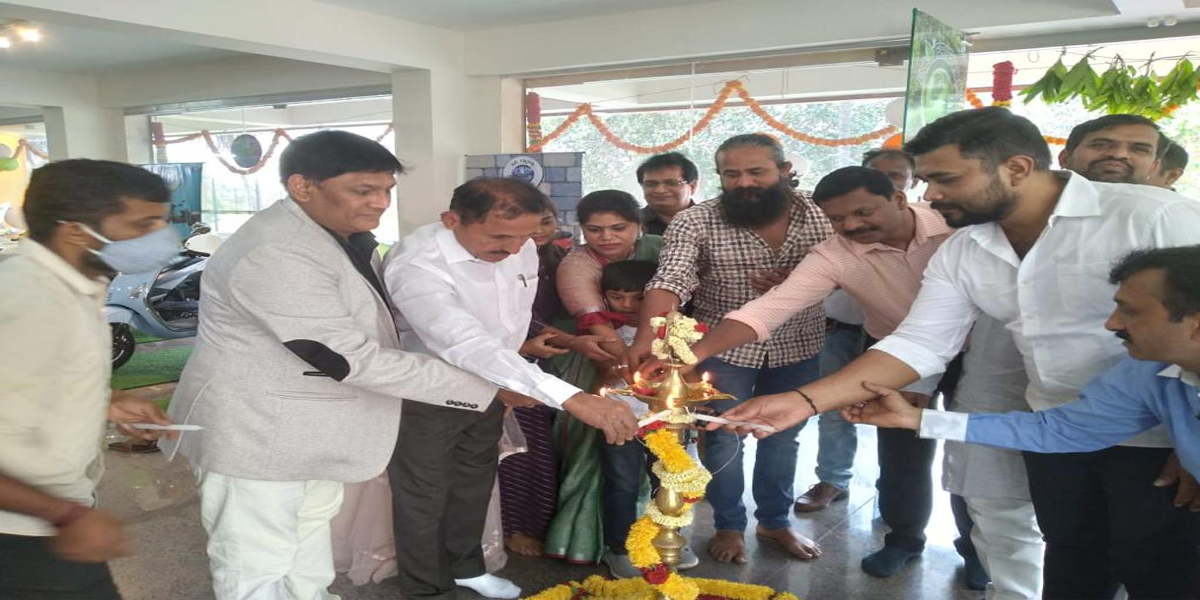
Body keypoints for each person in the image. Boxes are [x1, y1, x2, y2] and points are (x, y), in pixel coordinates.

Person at [716, 107, 1200, 600]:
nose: (931, 195)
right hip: (1055, 423)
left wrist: (1195, 445)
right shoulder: (965, 247)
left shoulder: (1155, 216)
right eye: (927, 180)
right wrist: (803, 401)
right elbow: (920, 341)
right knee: (1072, 555)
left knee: (1160, 568)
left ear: (1016, 168)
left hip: (1163, 436)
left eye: (945, 180)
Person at [165, 131, 502, 600]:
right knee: (256, 561)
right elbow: (345, 355)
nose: (380, 202)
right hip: (257, 431)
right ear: (303, 186)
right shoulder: (276, 250)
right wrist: (489, 385)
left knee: (308, 540)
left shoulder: (341, 238)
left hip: (310, 426)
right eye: (363, 190)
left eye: (386, 190)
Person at [845, 245, 1200, 597]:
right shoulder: (1148, 373)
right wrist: (919, 419)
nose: (1112, 324)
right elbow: (1059, 429)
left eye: (1131, 311)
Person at [685, 165, 954, 576]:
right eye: (838, 218)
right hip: (899, 352)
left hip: (984, 349)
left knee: (984, 454)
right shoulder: (834, 254)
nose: (852, 226)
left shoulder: (953, 226)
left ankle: (977, 551)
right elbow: (770, 308)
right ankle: (904, 539)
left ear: (899, 198)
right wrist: (692, 354)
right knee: (904, 450)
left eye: (864, 212)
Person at [382, 177, 639, 600]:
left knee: (475, 481)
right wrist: (566, 395)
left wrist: (507, 383)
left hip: (493, 385)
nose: (515, 248)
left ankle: (466, 568)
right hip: (428, 391)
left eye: (526, 236)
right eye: (500, 237)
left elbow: (512, 319)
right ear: (452, 220)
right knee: (423, 493)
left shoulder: (521, 247)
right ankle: (427, 588)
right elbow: (461, 339)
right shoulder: (416, 263)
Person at [628, 133, 833, 564]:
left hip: (799, 344)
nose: (744, 183)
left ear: (784, 171)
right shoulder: (696, 220)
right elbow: (671, 280)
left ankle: (775, 521)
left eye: (756, 172)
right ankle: (729, 525)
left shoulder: (822, 212)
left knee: (783, 437)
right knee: (722, 439)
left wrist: (801, 283)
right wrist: (648, 339)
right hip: (721, 351)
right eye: (731, 174)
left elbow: (855, 265)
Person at [0, 159, 180, 600]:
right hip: (22, 536)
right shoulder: (25, 299)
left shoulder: (75, 285)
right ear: (76, 231)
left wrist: (107, 402)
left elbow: (35, 377)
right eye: (143, 224)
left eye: (162, 221)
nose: (162, 236)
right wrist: (67, 516)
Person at [543, 190, 663, 564]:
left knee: (664, 469)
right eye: (595, 229)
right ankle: (600, 542)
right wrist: (629, 367)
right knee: (595, 456)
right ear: (582, 230)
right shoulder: (577, 265)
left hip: (660, 363)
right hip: (596, 360)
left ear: (638, 226)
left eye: (618, 228)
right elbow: (597, 326)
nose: (607, 237)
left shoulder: (660, 248)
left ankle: (660, 537)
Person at [591, 259, 700, 577]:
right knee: (621, 484)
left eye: (639, 298)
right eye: (617, 297)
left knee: (667, 483)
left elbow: (691, 379)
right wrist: (617, 368)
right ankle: (619, 548)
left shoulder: (675, 336)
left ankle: (670, 538)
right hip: (620, 421)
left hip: (667, 423)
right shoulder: (606, 335)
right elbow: (599, 383)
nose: (627, 305)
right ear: (604, 297)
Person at [1058, 114, 1162, 184]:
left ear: (1153, 168)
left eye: (1139, 149)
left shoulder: (1165, 209)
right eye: (1100, 145)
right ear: (1065, 158)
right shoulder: (1048, 203)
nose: (1119, 154)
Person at [636, 152, 699, 236]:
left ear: (692, 187)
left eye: (671, 183)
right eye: (651, 184)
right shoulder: (632, 223)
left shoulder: (710, 221)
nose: (660, 190)